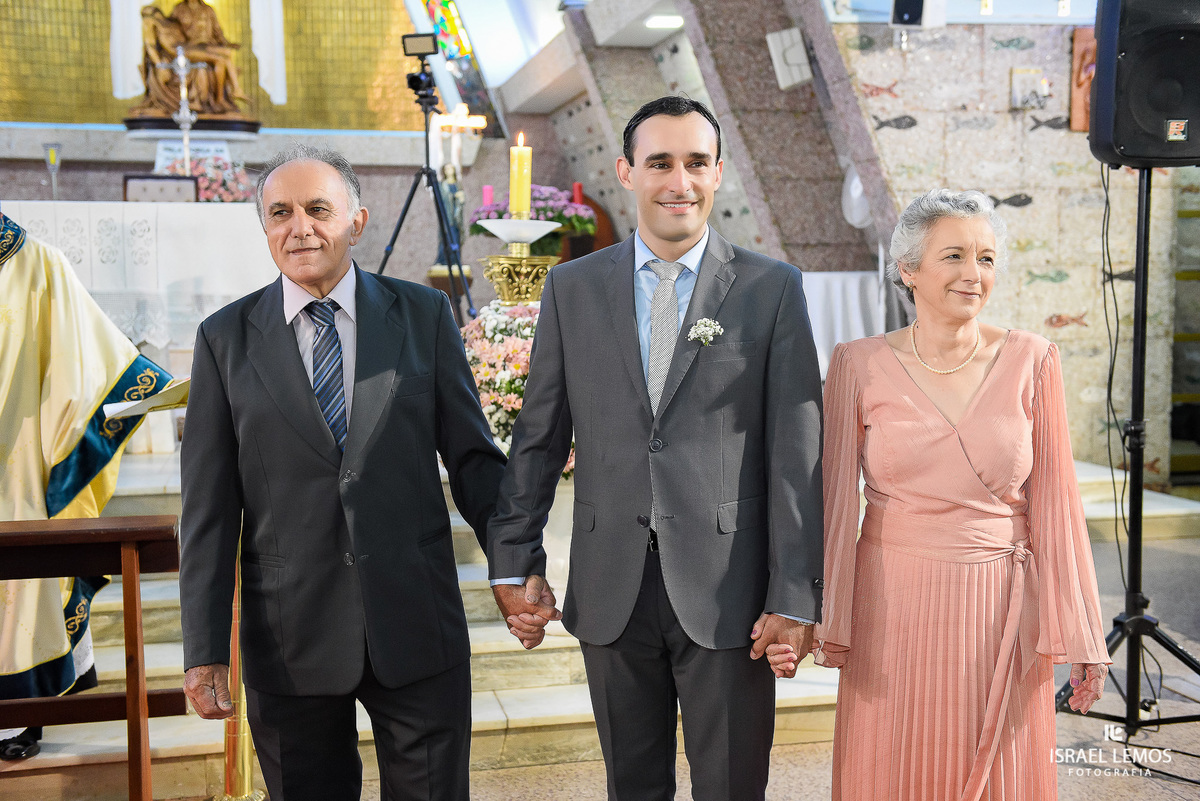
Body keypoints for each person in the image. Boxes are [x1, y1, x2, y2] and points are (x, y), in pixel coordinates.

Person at [487, 96, 825, 800]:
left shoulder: (771, 289)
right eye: (661, 162)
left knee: (731, 786)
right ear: (627, 172)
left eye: (697, 163)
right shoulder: (572, 287)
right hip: (610, 582)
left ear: (719, 172)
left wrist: (794, 594)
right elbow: (538, 438)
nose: (680, 181)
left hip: (730, 589)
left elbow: (796, 456)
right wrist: (515, 555)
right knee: (632, 787)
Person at [178, 144, 506, 801]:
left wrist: (515, 562)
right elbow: (208, 510)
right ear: (265, 228)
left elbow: (474, 461)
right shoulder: (224, 339)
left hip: (416, 621)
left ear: (356, 222)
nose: (299, 227)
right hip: (290, 634)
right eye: (280, 213)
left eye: (318, 209)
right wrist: (205, 647)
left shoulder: (423, 316)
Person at [768, 189, 1110, 800]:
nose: (973, 274)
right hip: (892, 607)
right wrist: (813, 614)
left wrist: (1082, 629)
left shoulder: (1033, 359)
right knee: (895, 766)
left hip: (1001, 607)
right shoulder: (857, 363)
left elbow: (1058, 507)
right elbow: (834, 504)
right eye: (953, 256)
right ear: (908, 269)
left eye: (986, 258)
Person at [0, 212, 171, 760]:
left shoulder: (35, 265)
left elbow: (87, 366)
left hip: (13, 470)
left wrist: (146, 389)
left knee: (22, 576)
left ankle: (14, 717)